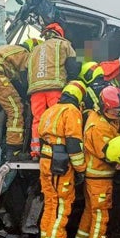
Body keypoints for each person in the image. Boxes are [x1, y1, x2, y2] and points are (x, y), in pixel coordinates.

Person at [72, 86, 120, 238]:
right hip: (99, 178)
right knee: (100, 217)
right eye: (116, 110)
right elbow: (110, 155)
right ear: (105, 107)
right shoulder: (99, 128)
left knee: (90, 213)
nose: (119, 113)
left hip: (96, 177)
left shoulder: (102, 119)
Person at [37, 80, 87, 238]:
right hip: (60, 164)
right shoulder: (71, 111)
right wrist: (81, 168)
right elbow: (74, 144)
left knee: (51, 205)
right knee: (61, 208)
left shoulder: (50, 110)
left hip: (46, 160)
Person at [27, 23, 80, 157]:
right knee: (56, 118)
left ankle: (36, 150)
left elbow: (26, 70)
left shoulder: (35, 49)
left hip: (35, 90)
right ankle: (57, 149)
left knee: (38, 119)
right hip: (55, 88)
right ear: (60, 34)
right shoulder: (64, 45)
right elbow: (73, 67)